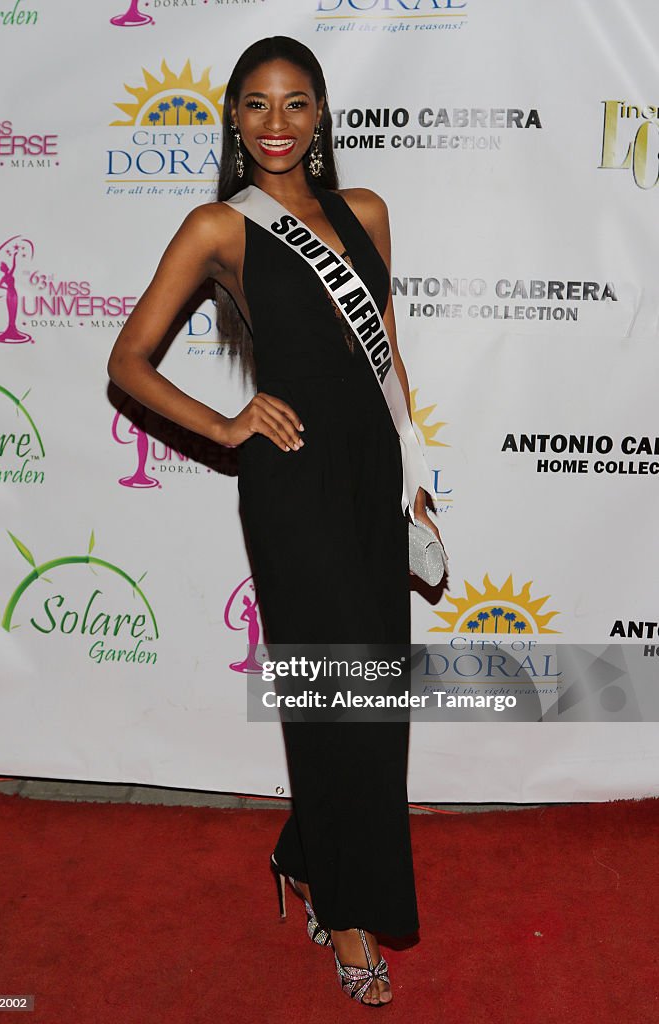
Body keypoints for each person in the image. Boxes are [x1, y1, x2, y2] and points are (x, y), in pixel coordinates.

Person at [107, 35, 444, 1007]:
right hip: (290, 486)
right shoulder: (218, 227)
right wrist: (224, 421)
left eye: (295, 103)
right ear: (232, 120)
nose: (276, 124)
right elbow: (129, 359)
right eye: (254, 105)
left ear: (322, 114)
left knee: (372, 698)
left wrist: (413, 471)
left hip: (372, 477)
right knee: (334, 702)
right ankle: (344, 914)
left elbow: (384, 350)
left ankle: (303, 850)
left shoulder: (369, 212)